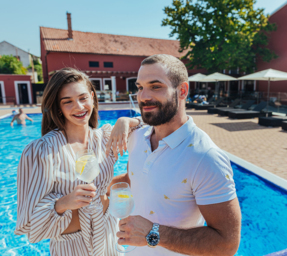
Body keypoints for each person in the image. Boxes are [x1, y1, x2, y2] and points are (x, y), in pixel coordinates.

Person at [107, 54, 241, 256]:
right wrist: (97, 186)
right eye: (140, 87)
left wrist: (153, 234)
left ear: (182, 91)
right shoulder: (136, 137)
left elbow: (227, 244)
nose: (143, 96)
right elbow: (132, 179)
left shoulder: (206, 157)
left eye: (156, 86)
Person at [15, 67, 140, 256]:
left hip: (108, 237)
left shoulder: (106, 137)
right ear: (58, 107)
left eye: (83, 98)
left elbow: (154, 128)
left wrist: (127, 121)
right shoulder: (41, 151)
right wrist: (63, 203)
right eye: (68, 102)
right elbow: (28, 224)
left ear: (92, 97)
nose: (79, 107)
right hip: (71, 248)